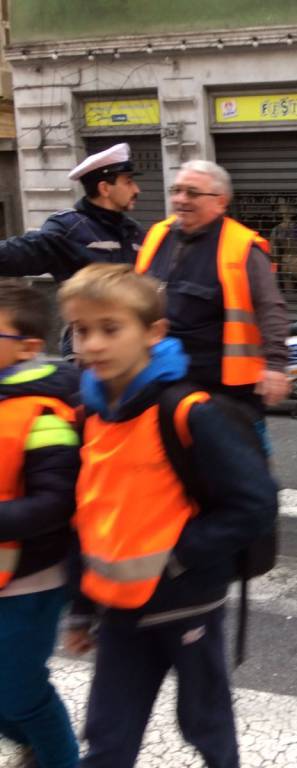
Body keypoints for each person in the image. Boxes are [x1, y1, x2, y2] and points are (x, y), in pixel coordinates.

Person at [59, 263, 278, 768]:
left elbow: (255, 502)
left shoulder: (187, 411)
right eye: (81, 330)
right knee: (108, 736)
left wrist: (177, 558)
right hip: (118, 611)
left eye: (110, 329)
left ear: (153, 333)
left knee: (205, 723)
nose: (92, 345)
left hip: (185, 604)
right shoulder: (89, 416)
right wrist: (81, 607)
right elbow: (86, 513)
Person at [134, 160, 290, 450]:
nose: (180, 199)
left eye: (192, 193)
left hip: (227, 393)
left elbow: (271, 308)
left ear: (220, 202)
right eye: (176, 190)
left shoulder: (243, 247)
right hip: (164, 384)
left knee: (243, 476)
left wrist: (276, 365)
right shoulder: (157, 235)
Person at [0, 281, 80, 768]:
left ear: (29, 347)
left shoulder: (45, 411)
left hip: (33, 577)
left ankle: (55, 757)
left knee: (19, 690)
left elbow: (56, 503)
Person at [0, 143, 144, 356]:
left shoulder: (134, 232)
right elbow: (22, 251)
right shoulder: (69, 227)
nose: (137, 190)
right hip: (86, 349)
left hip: (131, 345)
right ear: (105, 188)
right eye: (129, 182)